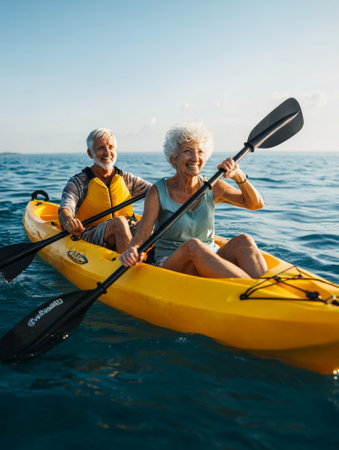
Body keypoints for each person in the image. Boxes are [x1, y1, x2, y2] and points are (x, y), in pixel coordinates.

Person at [120, 121, 267, 279]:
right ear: (174, 158)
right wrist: (133, 250)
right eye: (188, 151)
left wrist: (238, 176)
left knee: (244, 241)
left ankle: (266, 290)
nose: (195, 158)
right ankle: (252, 290)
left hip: (211, 256)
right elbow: (142, 234)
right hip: (171, 262)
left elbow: (255, 204)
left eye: (200, 152)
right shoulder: (158, 191)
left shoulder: (213, 186)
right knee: (193, 246)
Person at [58, 128, 151, 252]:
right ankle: (129, 266)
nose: (107, 152)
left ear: (116, 150)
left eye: (111, 147)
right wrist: (68, 221)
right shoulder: (79, 182)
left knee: (156, 219)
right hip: (91, 233)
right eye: (101, 148)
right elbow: (65, 209)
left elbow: (156, 192)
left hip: (128, 226)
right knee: (119, 223)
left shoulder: (127, 179)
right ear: (90, 153)